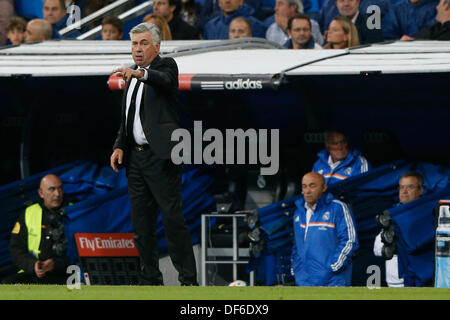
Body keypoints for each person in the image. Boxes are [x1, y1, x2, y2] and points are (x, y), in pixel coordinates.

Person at [110, 22, 198, 286]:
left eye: (144, 43)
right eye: (135, 44)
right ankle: (150, 280)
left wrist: (139, 74)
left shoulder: (165, 66)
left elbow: (164, 81)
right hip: (135, 160)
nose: (138, 49)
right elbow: (129, 118)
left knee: (172, 219)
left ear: (157, 46)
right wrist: (119, 145)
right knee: (141, 224)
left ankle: (188, 280)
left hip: (161, 157)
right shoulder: (133, 75)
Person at [291, 172, 358, 286]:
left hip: (332, 282)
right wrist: (296, 269)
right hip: (304, 282)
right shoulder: (299, 213)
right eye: (304, 186)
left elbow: (350, 240)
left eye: (312, 186)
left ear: (324, 188)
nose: (307, 191)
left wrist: (332, 267)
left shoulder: (338, 208)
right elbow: (296, 245)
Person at [2, 174, 70, 284]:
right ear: (41, 193)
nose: (57, 194)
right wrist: (33, 265)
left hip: (64, 274)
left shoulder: (74, 212)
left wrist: (55, 264)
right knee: (7, 284)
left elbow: (79, 253)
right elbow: (16, 249)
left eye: (60, 188)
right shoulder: (29, 213)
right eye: (52, 189)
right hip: (34, 273)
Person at [373, 172, 424, 287]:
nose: (404, 191)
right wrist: (395, 247)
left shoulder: (426, 215)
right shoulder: (392, 214)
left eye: (410, 187)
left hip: (418, 281)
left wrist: (394, 245)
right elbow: (377, 249)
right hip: (394, 281)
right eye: (402, 187)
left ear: (421, 190)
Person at [317, 0, 391, 35]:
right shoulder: (328, 6)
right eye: (342, 0)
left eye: (350, 0)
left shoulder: (377, 5)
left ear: (358, 2)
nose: (346, 4)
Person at [203, 0, 267, 39]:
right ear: (219, 3)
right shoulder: (210, 26)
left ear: (241, 1)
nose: (227, 1)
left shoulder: (256, 25)